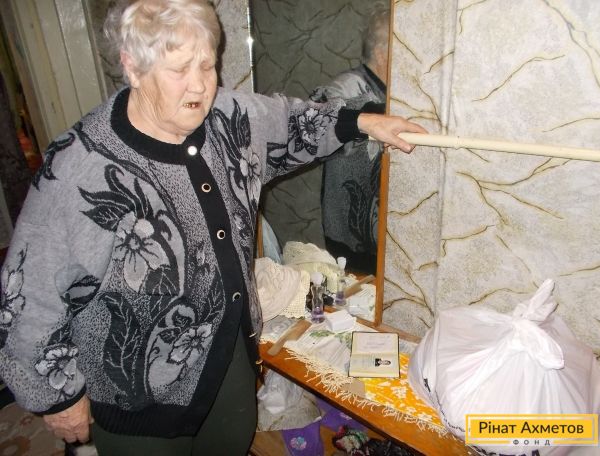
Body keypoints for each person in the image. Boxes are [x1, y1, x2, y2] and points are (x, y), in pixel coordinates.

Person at [0, 1, 426, 454]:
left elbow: (291, 121)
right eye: (179, 69)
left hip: (226, 360)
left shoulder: (227, 114)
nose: (200, 85)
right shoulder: (78, 166)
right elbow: (27, 293)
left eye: (207, 65)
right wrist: (58, 396)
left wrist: (363, 122)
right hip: (138, 403)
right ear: (133, 67)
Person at [310, 5, 391, 274]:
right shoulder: (348, 84)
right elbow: (319, 112)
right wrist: (375, 114)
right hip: (347, 231)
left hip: (382, 232)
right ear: (381, 53)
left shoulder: (396, 91)